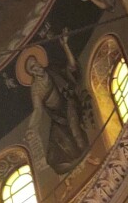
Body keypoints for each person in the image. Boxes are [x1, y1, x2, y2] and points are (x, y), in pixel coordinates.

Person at [24, 40, 97, 176]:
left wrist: (65, 46)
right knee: (54, 150)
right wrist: (31, 127)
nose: (36, 68)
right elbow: (38, 110)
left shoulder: (52, 70)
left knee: (75, 129)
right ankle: (74, 170)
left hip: (69, 103)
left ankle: (90, 156)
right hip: (57, 116)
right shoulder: (35, 89)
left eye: (36, 63)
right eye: (32, 68)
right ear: (31, 73)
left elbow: (72, 68)